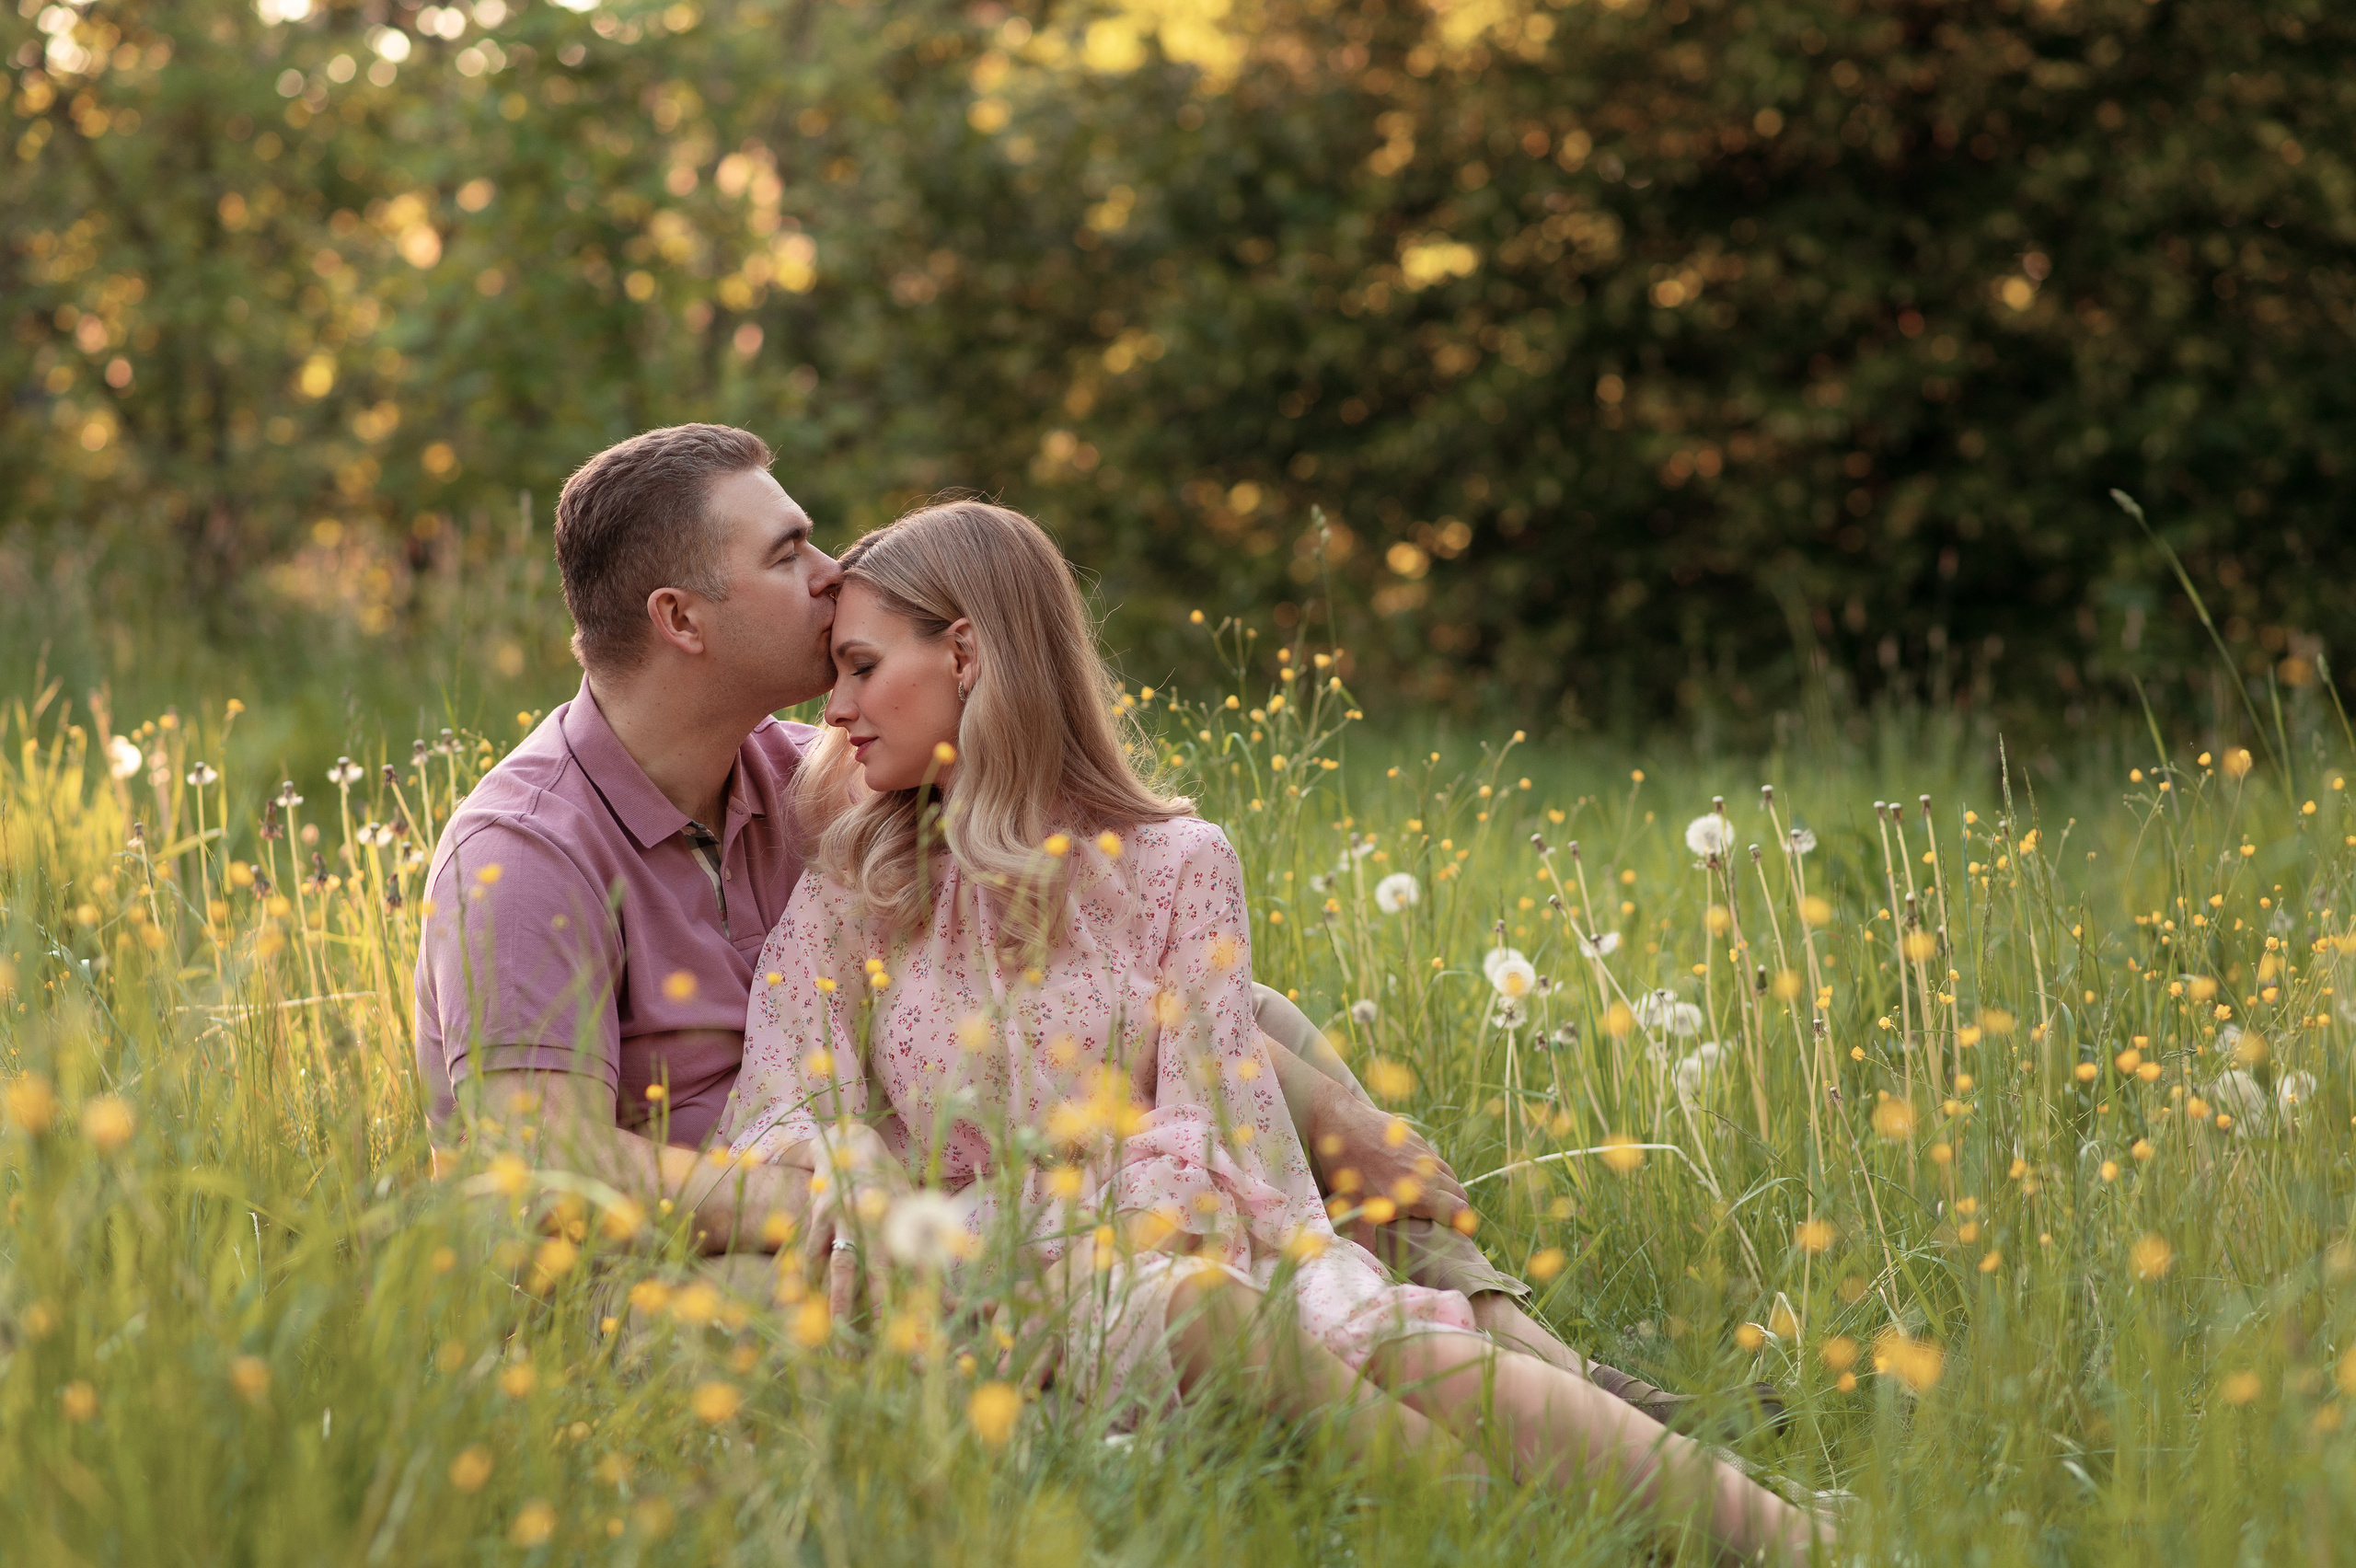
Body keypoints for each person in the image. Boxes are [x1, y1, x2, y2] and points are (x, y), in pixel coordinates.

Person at [410, 422, 1691, 1432]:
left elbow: (1103, 960)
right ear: (681, 620)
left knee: (1248, 1017)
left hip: (906, 1188)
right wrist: (832, 1204)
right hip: (710, 1259)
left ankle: (1520, 1358)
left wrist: (1339, 1126)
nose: (832, 574)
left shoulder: (813, 778)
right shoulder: (527, 854)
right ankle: (1387, 1417)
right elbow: (541, 1162)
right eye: (789, 553)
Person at [719, 500, 1827, 1564]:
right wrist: (855, 1169)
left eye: (861, 667)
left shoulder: (1177, 862)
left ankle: (1810, 1543)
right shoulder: (859, 882)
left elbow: (1228, 1131)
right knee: (1207, 1311)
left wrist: (1162, 1231)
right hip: (976, 1267)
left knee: (1396, 1339)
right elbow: (778, 1104)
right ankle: (1564, 1545)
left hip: (1171, 1235)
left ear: (965, 654)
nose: (835, 709)